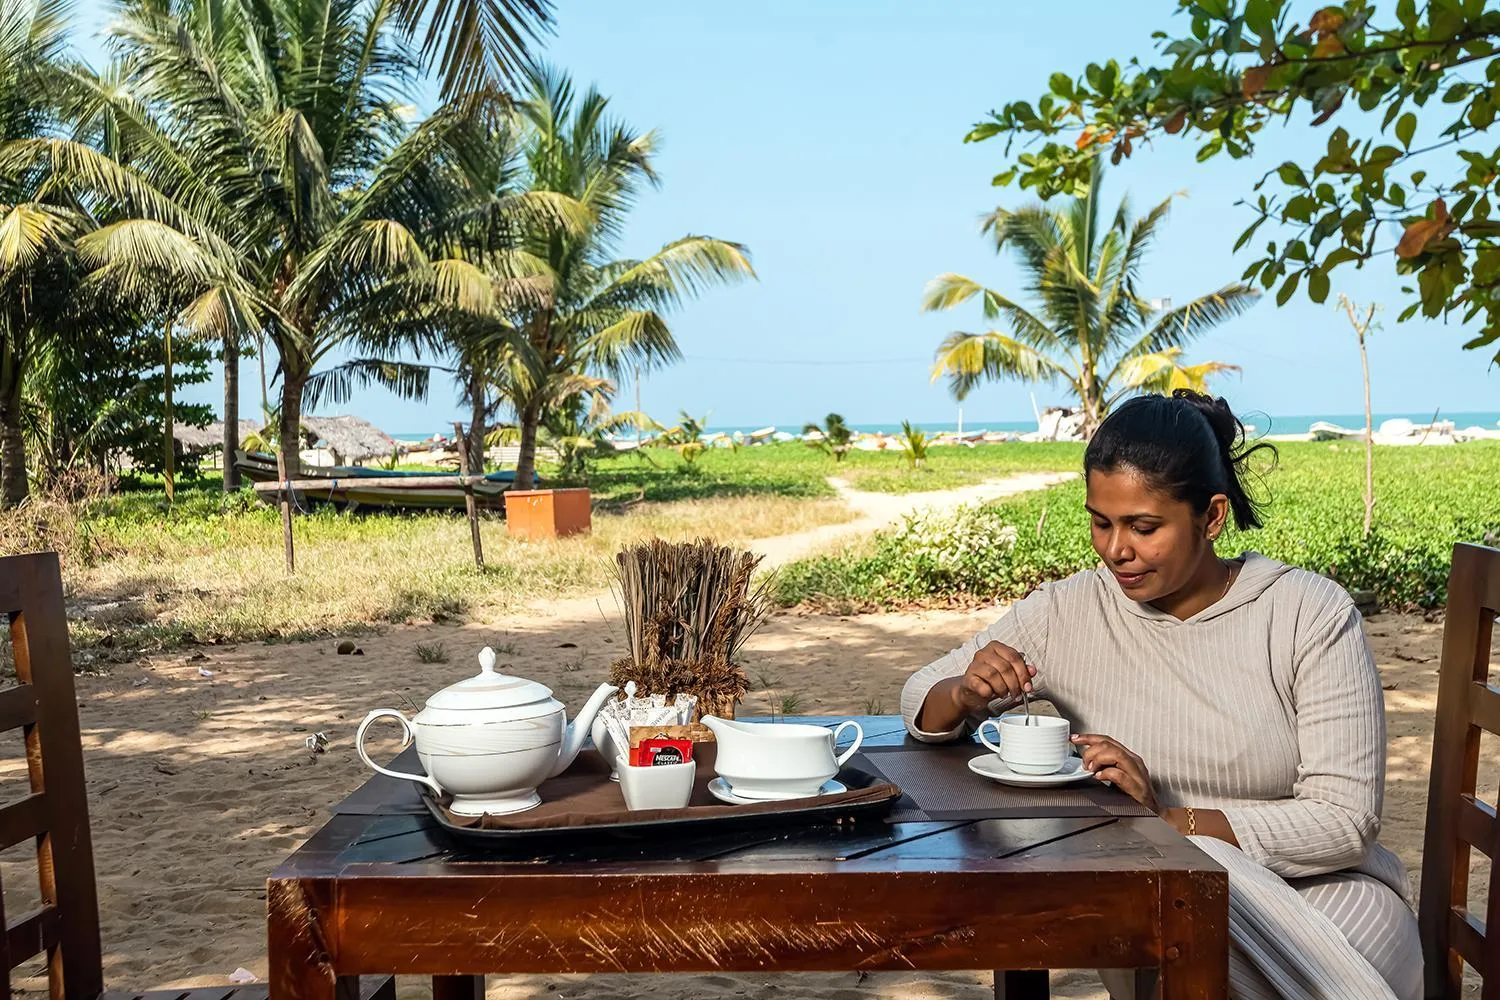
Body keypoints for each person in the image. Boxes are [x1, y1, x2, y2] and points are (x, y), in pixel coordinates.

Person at [900, 390, 1421, 1000]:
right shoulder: (1072, 612)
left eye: (1143, 527)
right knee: (1162, 914)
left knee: (1165, 921)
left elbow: (1343, 821)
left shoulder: (1308, 614)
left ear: (1213, 516)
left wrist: (1170, 825)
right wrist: (964, 693)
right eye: (1100, 522)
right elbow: (916, 699)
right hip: (1157, 893)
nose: (1117, 549)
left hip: (1329, 901)